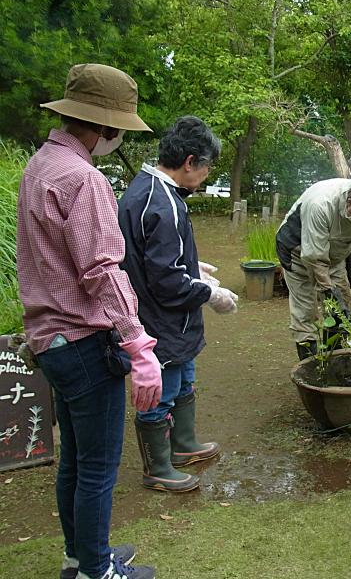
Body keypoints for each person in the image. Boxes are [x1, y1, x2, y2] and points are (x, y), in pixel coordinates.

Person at [17, 64, 158, 579]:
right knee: (97, 466)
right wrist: (138, 344)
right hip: (82, 340)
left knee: (75, 460)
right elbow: (102, 269)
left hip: (49, 340)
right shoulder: (84, 178)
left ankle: (80, 557)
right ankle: (97, 572)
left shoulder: (41, 165)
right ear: (105, 127)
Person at [118, 116, 237, 492]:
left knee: (184, 379)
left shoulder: (147, 188)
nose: (207, 175)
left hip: (169, 320)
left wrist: (192, 266)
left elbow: (149, 256)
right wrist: (210, 294)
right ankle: (158, 468)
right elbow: (168, 282)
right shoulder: (163, 203)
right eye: (207, 167)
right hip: (160, 320)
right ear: (189, 162)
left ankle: (183, 446)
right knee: (161, 393)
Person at [276, 177, 351, 359]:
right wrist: (328, 290)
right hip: (297, 253)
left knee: (342, 309)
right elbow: (314, 258)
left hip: (333, 255)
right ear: (349, 204)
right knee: (305, 312)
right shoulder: (320, 205)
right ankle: (312, 367)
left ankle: (335, 359)